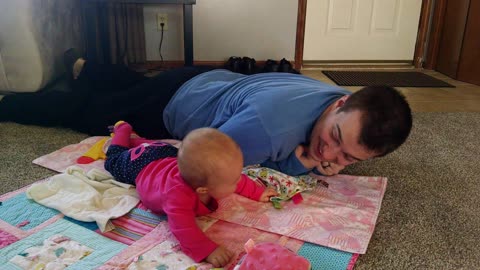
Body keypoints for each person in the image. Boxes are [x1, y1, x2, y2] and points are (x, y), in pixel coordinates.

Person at [0, 49, 412, 176]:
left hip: (207, 79)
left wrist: (334, 154)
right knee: (90, 114)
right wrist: (298, 165)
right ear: (340, 106)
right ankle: (10, 103)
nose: (330, 155)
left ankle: (88, 68)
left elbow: (339, 144)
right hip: (172, 107)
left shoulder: (343, 96)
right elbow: (211, 165)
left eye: (349, 159)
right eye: (335, 139)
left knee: (138, 84)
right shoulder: (269, 130)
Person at [104, 121, 278, 267]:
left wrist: (258, 192)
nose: (238, 180)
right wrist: (207, 249)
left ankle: (137, 141)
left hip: (165, 152)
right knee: (113, 160)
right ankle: (123, 130)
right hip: (140, 165)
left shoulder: (205, 176)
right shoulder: (176, 196)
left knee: (150, 146)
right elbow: (183, 228)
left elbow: (236, 177)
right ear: (203, 190)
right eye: (234, 181)